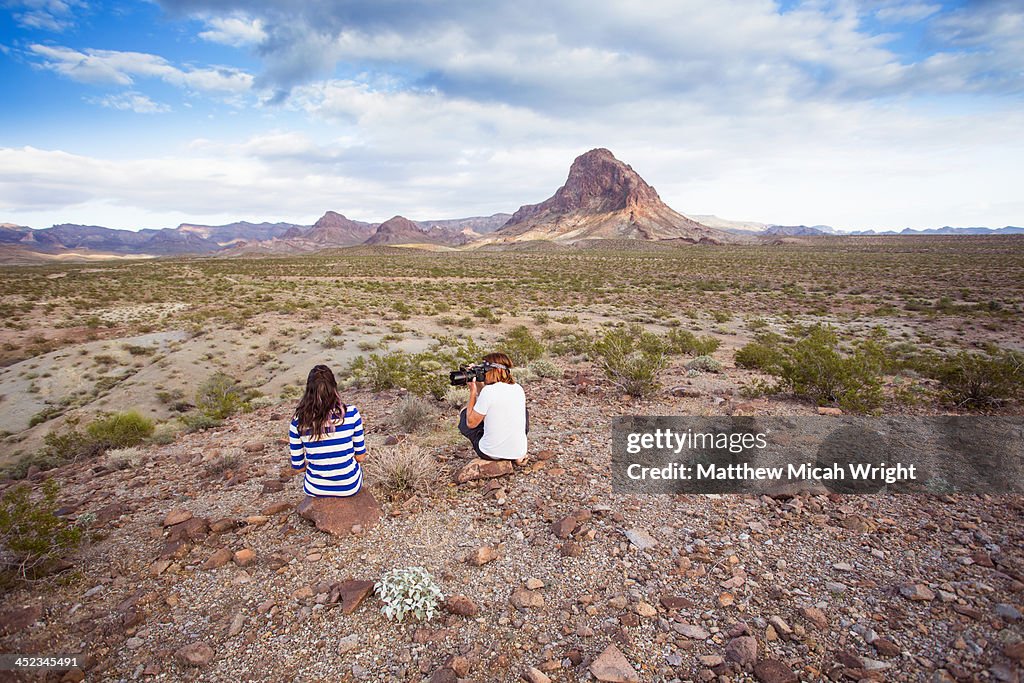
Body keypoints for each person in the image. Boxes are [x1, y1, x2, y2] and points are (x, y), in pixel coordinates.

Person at [289, 364, 366, 497]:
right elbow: (360, 457)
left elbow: (299, 467)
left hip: (315, 488)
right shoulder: (351, 414)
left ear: (308, 390)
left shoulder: (298, 421)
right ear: (334, 387)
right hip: (349, 486)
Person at [458, 352, 528, 463]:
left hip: (490, 453)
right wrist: (479, 383)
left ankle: (497, 450)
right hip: (519, 451)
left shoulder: (489, 391)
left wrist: (473, 392)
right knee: (522, 411)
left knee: (464, 414)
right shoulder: (518, 388)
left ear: (499, 370)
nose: (485, 373)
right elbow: (487, 400)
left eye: (486, 370)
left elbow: (471, 423)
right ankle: (515, 455)